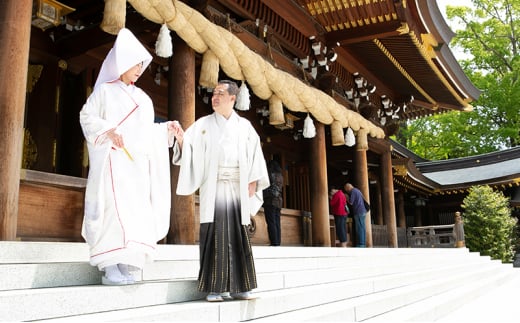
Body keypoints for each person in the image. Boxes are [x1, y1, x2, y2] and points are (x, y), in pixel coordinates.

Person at [79, 28, 177, 285]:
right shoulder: (104, 92)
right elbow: (87, 117)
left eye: (142, 65)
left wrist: (166, 130)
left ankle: (128, 261)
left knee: (136, 213)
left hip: (136, 166)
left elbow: (146, 133)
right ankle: (110, 266)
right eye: (135, 64)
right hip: (113, 161)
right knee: (113, 211)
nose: (139, 69)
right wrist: (108, 131)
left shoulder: (144, 99)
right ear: (121, 63)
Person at [171, 80, 269, 302]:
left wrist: (253, 180)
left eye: (220, 94)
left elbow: (255, 154)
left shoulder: (245, 127)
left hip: (237, 186)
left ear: (233, 99)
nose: (214, 97)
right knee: (215, 232)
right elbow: (190, 148)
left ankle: (241, 287)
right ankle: (215, 288)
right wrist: (180, 139)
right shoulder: (203, 124)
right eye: (213, 93)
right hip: (214, 186)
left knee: (239, 233)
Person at [263, 160, 284, 246]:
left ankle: (274, 242)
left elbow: (265, 186)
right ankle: (277, 242)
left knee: (271, 222)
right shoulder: (281, 176)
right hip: (279, 201)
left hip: (270, 200)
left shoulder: (269, 173)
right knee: (277, 223)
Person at [344, 183, 368, 247]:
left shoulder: (353, 191)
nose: (347, 191)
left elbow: (351, 202)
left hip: (358, 211)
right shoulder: (358, 190)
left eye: (346, 189)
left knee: (359, 228)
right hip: (362, 211)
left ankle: (361, 244)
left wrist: (347, 197)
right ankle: (362, 243)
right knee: (362, 227)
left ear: (348, 187)